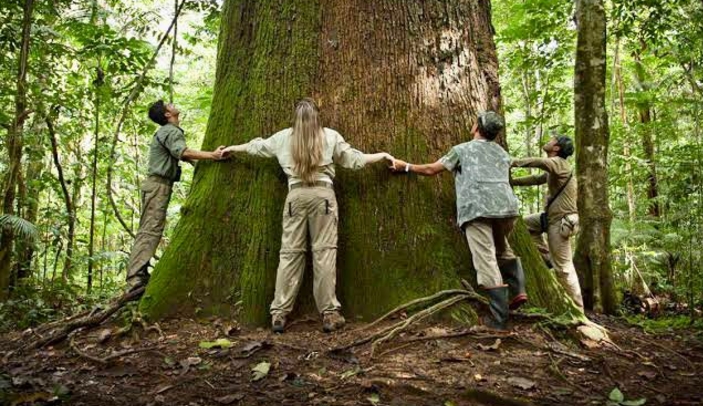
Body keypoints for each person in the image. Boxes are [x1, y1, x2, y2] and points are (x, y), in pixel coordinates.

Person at [220, 98, 393, 333]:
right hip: (322, 196)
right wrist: (382, 155)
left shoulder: (283, 137)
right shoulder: (330, 136)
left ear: (295, 118)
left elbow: (257, 146)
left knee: (290, 253)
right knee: (324, 253)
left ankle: (279, 313)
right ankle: (330, 314)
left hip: (295, 196)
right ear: (317, 116)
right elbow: (354, 160)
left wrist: (233, 148)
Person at [390, 111, 525, 330]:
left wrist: (405, 166)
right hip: (506, 209)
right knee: (502, 246)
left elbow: (431, 169)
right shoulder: (502, 152)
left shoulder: (462, 150)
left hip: (478, 209)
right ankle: (519, 289)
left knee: (486, 259)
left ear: (476, 127)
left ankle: (499, 319)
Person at [126, 100, 225, 291]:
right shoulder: (171, 131)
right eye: (168, 105)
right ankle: (135, 279)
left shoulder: (166, 132)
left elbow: (183, 156)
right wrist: (213, 156)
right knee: (150, 229)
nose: (172, 104)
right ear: (167, 114)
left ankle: (139, 274)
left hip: (156, 185)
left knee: (150, 227)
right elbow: (183, 152)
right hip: (158, 186)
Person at [510, 134, 583, 309]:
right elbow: (537, 179)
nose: (548, 141)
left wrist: (512, 161)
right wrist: (511, 182)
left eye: (552, 140)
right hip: (549, 218)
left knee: (564, 268)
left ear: (556, 148)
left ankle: (578, 309)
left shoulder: (558, 163)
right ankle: (546, 257)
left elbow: (539, 162)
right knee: (524, 225)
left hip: (560, 222)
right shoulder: (555, 168)